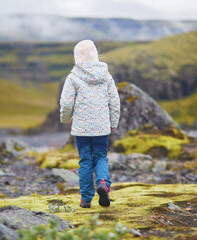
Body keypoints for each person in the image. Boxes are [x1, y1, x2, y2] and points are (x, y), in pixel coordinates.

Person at [59, 40, 120, 208]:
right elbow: (115, 101)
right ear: (95, 55)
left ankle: (86, 199)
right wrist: (113, 121)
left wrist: (65, 119)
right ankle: (103, 184)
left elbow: (66, 103)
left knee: (85, 161)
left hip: (82, 129)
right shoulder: (106, 76)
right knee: (101, 156)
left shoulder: (73, 78)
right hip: (101, 127)